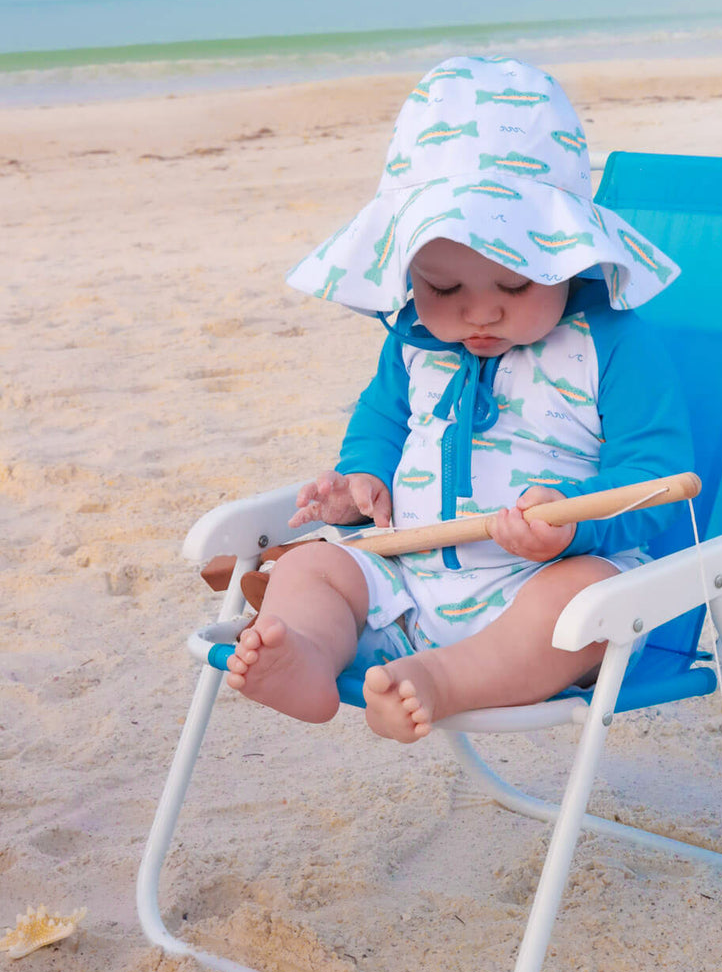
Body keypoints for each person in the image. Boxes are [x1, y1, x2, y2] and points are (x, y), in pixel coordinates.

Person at [226, 56, 692, 741]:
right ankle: (307, 655)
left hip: (536, 594)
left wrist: (572, 525)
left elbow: (658, 477)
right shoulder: (414, 338)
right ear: (411, 272)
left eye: (514, 287)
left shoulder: (612, 345)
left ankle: (443, 682)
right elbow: (383, 421)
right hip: (404, 584)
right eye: (445, 290)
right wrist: (363, 480)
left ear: (568, 259)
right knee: (315, 566)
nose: (481, 316)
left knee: (586, 603)